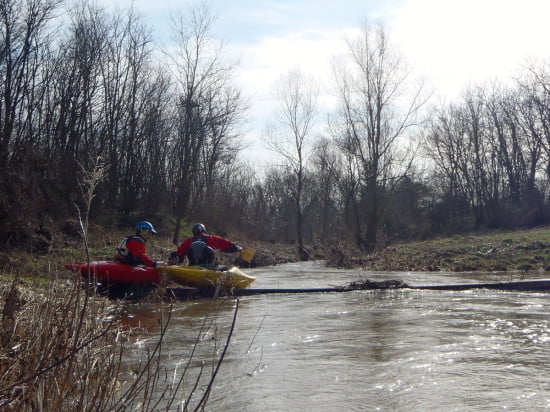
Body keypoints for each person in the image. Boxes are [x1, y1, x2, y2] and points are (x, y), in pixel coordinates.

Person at [169, 223, 242, 267]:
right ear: (203, 230)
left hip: (193, 267)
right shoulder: (211, 238)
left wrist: (174, 258)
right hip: (209, 267)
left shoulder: (188, 241)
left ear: (194, 232)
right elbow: (227, 244)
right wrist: (237, 248)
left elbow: (179, 254)